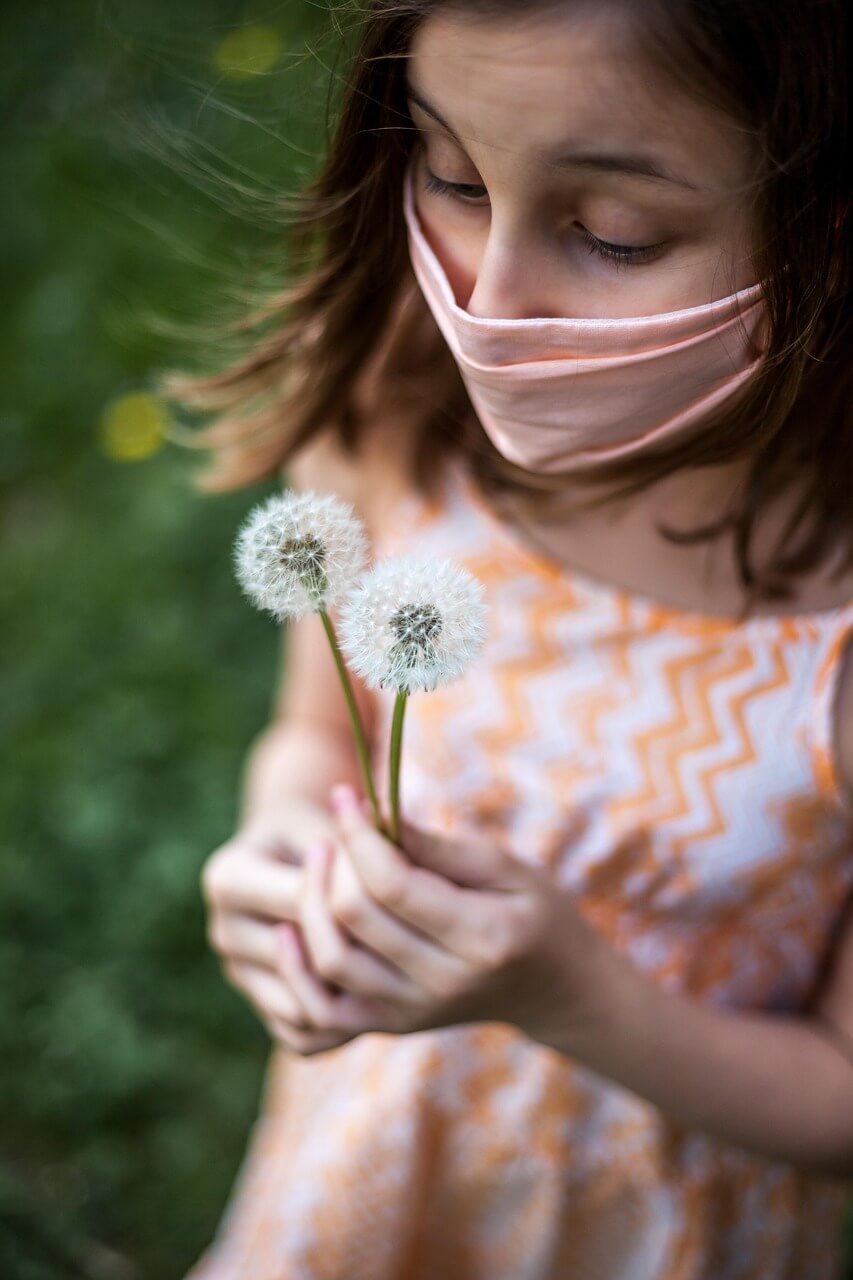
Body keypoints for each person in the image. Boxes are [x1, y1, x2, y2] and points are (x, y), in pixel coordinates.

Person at [165, 1, 853, 1276]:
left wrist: (568, 994)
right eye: (451, 174)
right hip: (363, 1169)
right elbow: (319, 728)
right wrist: (282, 846)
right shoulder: (395, 397)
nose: (489, 298)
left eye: (611, 232)